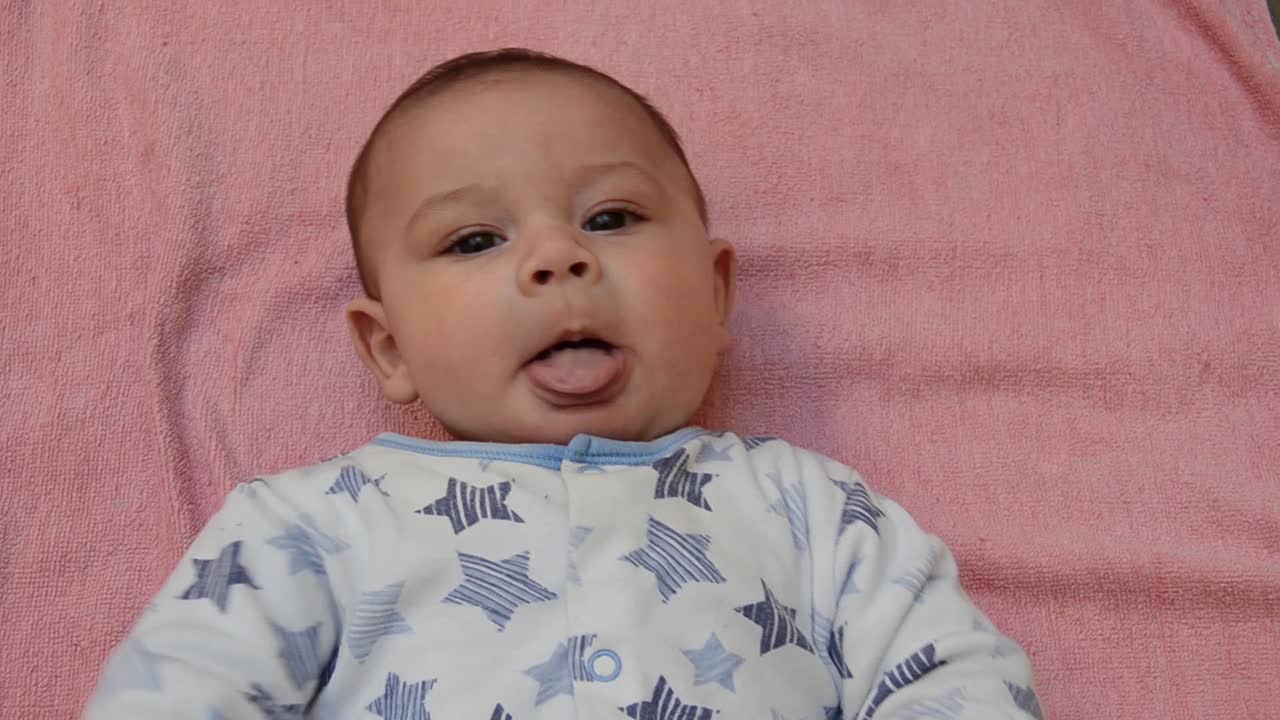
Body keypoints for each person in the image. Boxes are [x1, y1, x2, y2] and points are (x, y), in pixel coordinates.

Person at [84, 48, 1042, 720]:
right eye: (475, 240)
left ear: (715, 296)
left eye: (614, 217)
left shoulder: (806, 509)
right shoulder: (315, 524)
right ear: (389, 350)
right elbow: (182, 688)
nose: (556, 256)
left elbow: (950, 678)